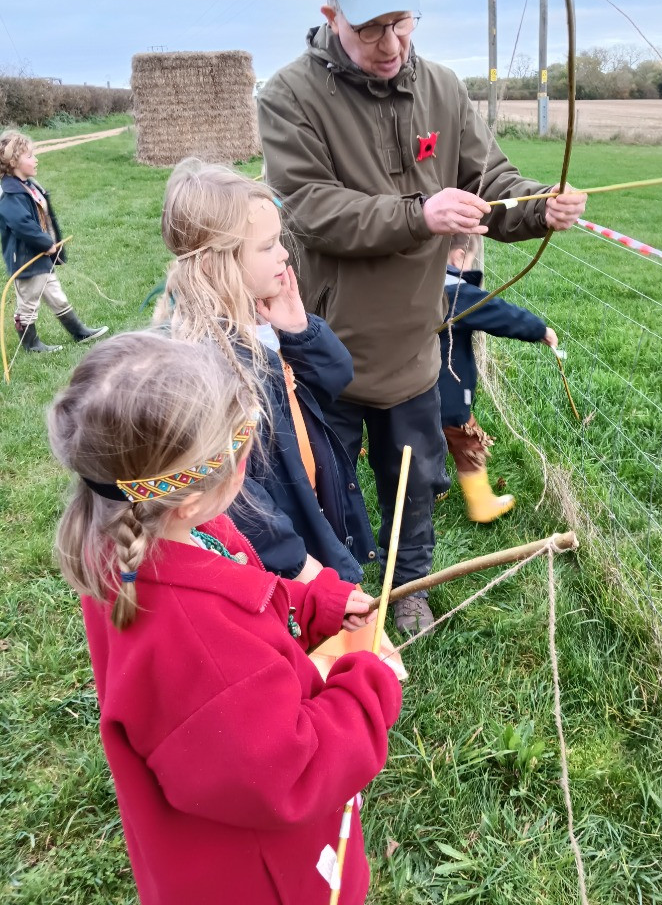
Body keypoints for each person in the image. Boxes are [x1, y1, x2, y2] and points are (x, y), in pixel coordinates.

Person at [258, 0, 587, 634]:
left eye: (401, 24)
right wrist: (420, 212)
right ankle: (339, 595)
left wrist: (537, 206)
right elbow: (311, 208)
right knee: (326, 480)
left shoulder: (438, 86)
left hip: (414, 334)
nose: (391, 45)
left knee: (415, 474)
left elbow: (488, 180)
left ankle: (410, 585)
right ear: (330, 17)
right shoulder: (286, 96)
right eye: (371, 28)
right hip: (325, 344)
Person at [48, 331, 402, 905]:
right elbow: (290, 774)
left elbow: (246, 593)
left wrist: (315, 606)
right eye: (241, 445)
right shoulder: (200, 644)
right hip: (261, 878)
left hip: (208, 840)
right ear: (192, 493)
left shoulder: (137, 534)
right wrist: (367, 682)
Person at [155, 158, 376, 585]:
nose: (284, 254)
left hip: (306, 502)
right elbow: (232, 496)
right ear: (212, 264)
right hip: (275, 551)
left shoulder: (261, 320)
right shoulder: (208, 363)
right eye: (267, 246)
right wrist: (297, 563)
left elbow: (335, 380)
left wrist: (299, 329)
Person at [439, 233, 558, 522]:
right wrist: (539, 329)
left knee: (418, 439)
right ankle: (481, 505)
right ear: (457, 258)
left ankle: (425, 487)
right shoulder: (456, 293)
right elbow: (498, 313)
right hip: (447, 392)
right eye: (470, 259)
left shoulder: (415, 285)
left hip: (410, 387)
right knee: (468, 442)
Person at [0, 129, 107, 352]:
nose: (35, 159)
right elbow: (22, 225)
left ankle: (79, 332)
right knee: (28, 302)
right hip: (26, 258)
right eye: (30, 156)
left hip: (39, 258)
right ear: (13, 162)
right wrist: (44, 242)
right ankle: (30, 344)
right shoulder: (10, 194)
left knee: (56, 294)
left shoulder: (28, 185)